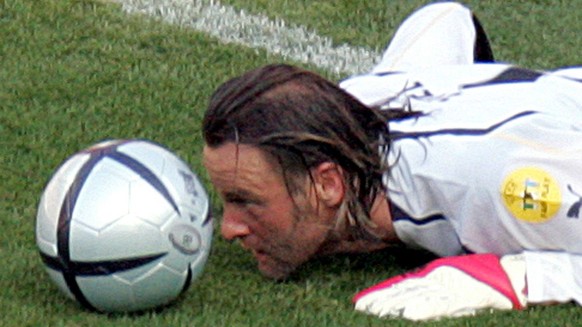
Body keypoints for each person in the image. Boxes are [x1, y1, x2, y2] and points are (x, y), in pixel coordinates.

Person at [202, 1, 582, 321]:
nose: (229, 229)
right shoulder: (358, 102)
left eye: (245, 200)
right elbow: (445, 18)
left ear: (328, 184)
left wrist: (520, 276)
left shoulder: (504, 186)